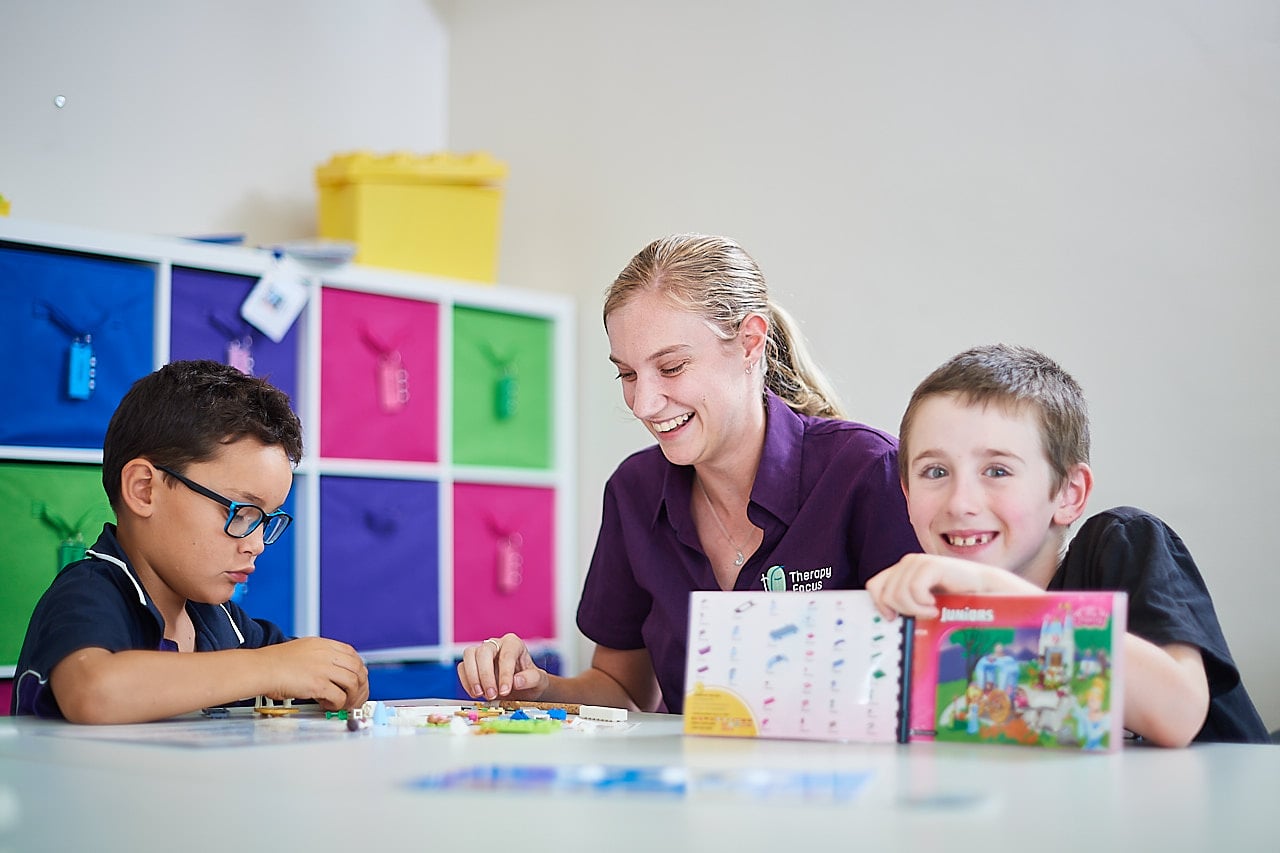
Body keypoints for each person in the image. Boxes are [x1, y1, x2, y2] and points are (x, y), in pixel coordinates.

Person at [458, 234, 920, 713]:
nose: (643, 404)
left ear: (750, 343)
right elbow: (623, 692)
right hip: (693, 782)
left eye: (672, 367)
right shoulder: (633, 492)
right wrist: (537, 688)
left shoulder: (867, 472)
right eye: (628, 375)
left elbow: (928, 685)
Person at [866, 344, 1270, 746]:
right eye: (935, 471)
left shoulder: (1121, 542)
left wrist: (991, 590)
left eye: (997, 470)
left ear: (1068, 494)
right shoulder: (923, 618)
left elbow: (1179, 715)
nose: (960, 503)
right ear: (906, 491)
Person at [11, 360, 369, 723]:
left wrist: (334, 671)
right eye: (241, 513)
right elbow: (95, 691)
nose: (257, 544)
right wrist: (268, 667)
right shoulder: (88, 592)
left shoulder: (219, 620)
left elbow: (291, 661)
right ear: (144, 489)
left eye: (266, 519)